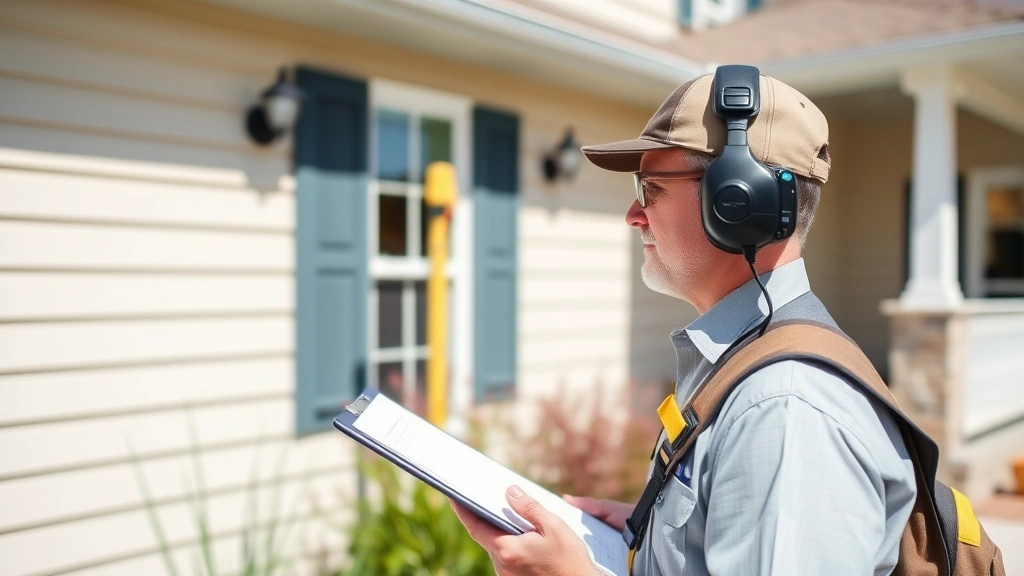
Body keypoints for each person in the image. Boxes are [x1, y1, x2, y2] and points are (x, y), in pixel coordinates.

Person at [451, 69, 917, 576]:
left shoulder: (785, 411)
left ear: (737, 202)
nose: (633, 213)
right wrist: (653, 537)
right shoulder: (746, 362)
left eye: (650, 188)